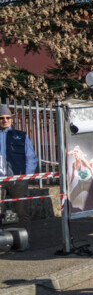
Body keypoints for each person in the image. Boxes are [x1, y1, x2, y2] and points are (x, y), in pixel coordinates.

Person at [0, 104, 38, 243]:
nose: (5, 120)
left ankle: (24, 241)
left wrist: (25, 177)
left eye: (7, 117)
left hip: (18, 180)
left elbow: (31, 158)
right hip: (0, 180)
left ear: (11, 119)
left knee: (23, 212)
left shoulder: (21, 136)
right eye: (1, 118)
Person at [68, 145, 93, 211]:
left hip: (89, 182)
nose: (75, 153)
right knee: (72, 195)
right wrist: (70, 183)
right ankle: (70, 209)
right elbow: (73, 175)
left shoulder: (82, 160)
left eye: (77, 151)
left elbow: (90, 169)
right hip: (81, 183)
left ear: (79, 153)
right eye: (74, 151)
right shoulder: (73, 164)